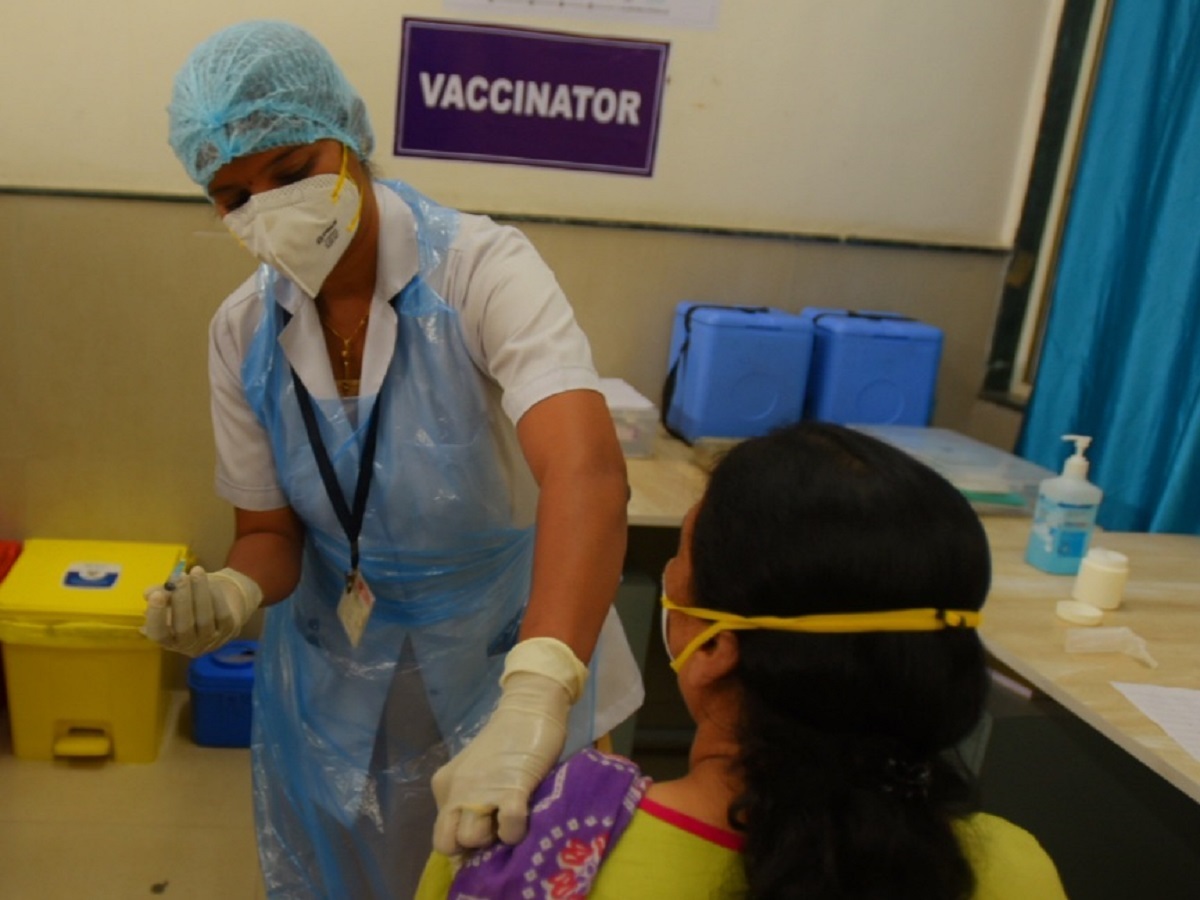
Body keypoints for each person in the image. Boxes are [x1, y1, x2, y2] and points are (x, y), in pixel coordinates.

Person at [142, 19, 643, 899]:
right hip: (342, 672)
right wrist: (232, 591)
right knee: (358, 876)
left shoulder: (483, 271)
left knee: (515, 871)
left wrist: (538, 692)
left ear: (349, 136)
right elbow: (269, 533)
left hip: (517, 646)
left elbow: (587, 472)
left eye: (293, 173)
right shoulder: (243, 332)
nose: (270, 208)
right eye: (233, 196)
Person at [416, 422, 1067, 899]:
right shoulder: (1017, 871)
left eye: (685, 559)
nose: (669, 573)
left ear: (716, 650)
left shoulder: (513, 847)